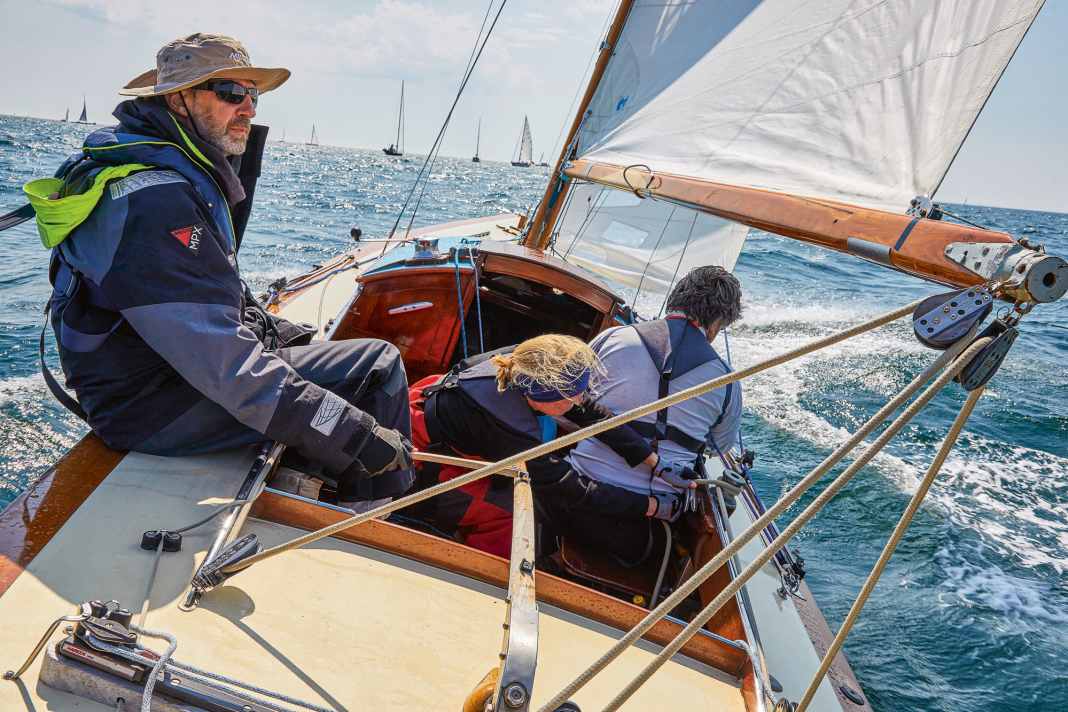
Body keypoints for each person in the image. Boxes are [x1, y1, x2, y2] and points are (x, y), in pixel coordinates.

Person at [26, 33, 412, 505]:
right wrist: (357, 437)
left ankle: (331, 485)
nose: (248, 107)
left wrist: (286, 337)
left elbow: (207, 298)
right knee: (377, 366)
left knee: (341, 372)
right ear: (178, 98)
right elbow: (222, 362)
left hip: (160, 377)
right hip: (153, 406)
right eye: (231, 93)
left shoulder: (163, 172)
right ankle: (373, 523)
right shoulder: (154, 202)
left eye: (254, 95)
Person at [406, 334, 689, 557]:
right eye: (571, 397)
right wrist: (649, 506)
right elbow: (570, 488)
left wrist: (654, 461)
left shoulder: (524, 363)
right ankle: (476, 575)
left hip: (428, 405)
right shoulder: (510, 430)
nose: (578, 402)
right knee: (512, 515)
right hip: (426, 459)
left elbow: (591, 413)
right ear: (545, 395)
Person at [562, 266, 744, 563]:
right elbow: (717, 448)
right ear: (717, 324)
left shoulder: (614, 338)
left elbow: (570, 400)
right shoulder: (726, 382)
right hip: (645, 533)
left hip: (577, 495)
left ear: (676, 300)